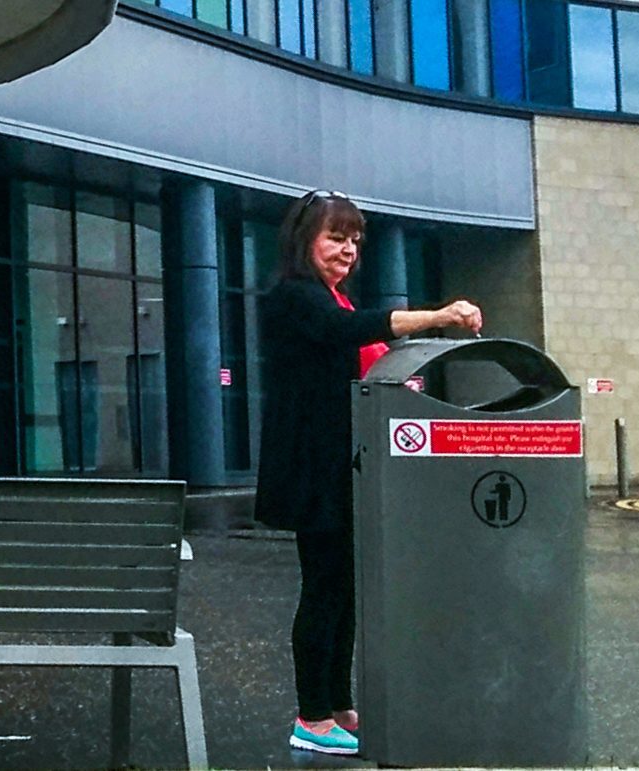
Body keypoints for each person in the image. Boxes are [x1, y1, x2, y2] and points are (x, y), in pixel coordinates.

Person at [254, 190, 482, 756]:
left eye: (355, 240)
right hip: (314, 469)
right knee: (323, 590)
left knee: (344, 591)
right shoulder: (294, 297)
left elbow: (361, 350)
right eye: (336, 237)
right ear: (303, 239)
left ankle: (337, 704)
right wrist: (437, 316)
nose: (348, 250)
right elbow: (341, 335)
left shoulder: (336, 300)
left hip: (345, 469)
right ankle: (310, 714)